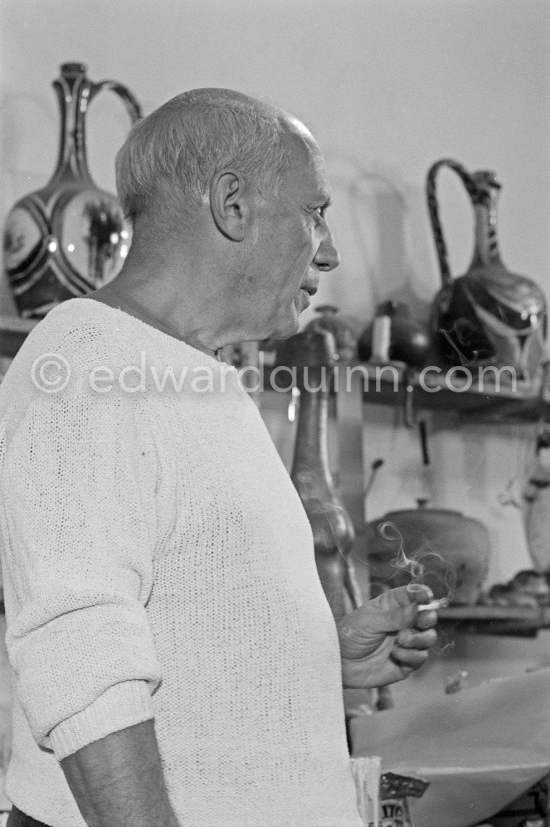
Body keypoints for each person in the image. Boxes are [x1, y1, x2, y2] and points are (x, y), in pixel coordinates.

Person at [0, 88, 438, 827]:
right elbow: (78, 656)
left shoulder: (195, 376)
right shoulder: (84, 361)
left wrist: (322, 662)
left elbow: (185, 639)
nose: (327, 250)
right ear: (232, 205)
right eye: (315, 212)